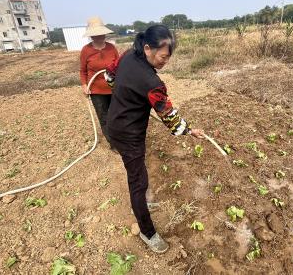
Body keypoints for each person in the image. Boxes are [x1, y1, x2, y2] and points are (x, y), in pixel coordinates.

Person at [105, 25, 204, 253]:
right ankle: (147, 231)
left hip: (116, 123)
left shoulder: (129, 54)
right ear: (148, 48)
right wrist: (188, 130)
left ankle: (145, 205)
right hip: (128, 134)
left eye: (168, 58)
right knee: (137, 182)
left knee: (139, 170)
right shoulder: (152, 83)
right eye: (162, 57)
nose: (165, 62)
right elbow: (167, 113)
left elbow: (110, 76)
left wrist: (126, 96)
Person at [80, 16, 119, 144]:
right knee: (104, 117)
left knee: (117, 115)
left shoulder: (111, 48)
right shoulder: (86, 50)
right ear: (91, 36)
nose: (99, 36)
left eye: (101, 33)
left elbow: (119, 66)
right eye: (96, 34)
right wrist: (85, 85)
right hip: (96, 91)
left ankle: (121, 137)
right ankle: (113, 143)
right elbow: (83, 71)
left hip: (114, 88)